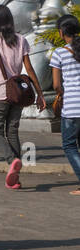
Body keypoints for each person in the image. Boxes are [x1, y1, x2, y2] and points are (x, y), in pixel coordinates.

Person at [0, 4, 44, 188]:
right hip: (17, 93)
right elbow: (29, 69)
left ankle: (11, 160)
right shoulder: (21, 40)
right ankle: (15, 176)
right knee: (12, 131)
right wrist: (39, 94)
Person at [49, 15, 80, 194]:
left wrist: (60, 94)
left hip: (72, 106)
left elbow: (56, 85)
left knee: (69, 145)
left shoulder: (60, 53)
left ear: (61, 32)